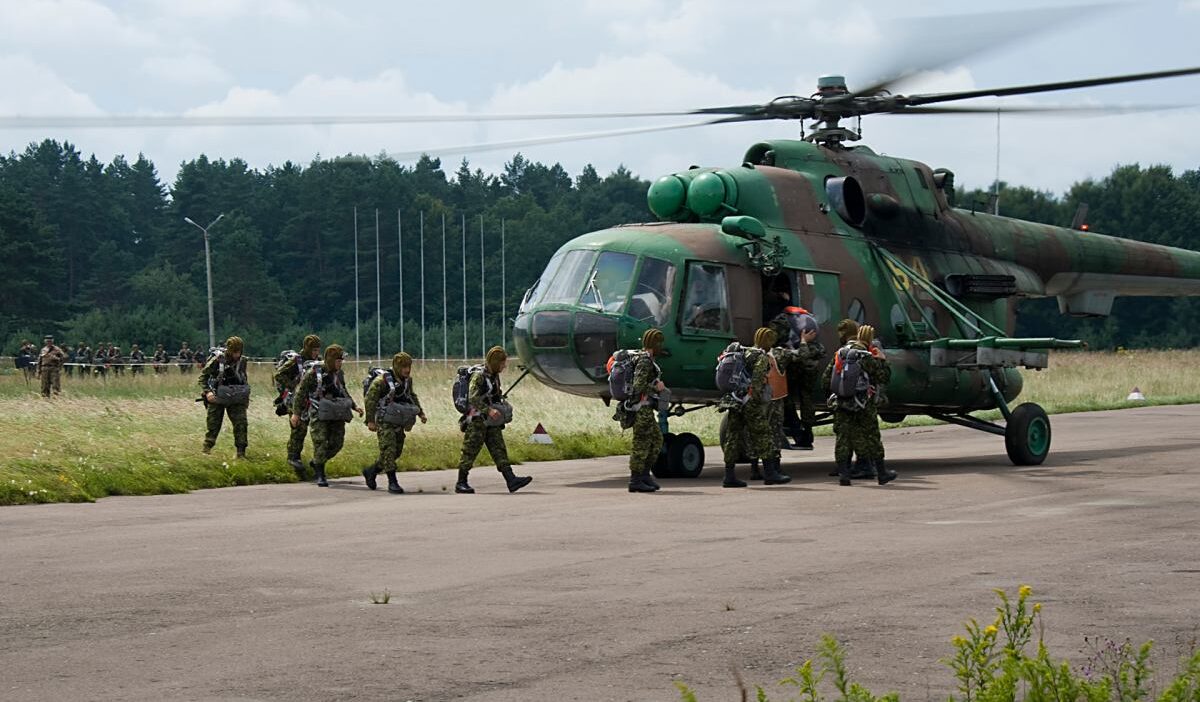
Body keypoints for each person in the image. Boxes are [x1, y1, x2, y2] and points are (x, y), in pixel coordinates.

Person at [823, 324, 897, 486]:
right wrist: (883, 361)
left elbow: (826, 379)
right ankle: (882, 473)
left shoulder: (840, 353)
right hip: (864, 404)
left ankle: (844, 475)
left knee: (843, 438)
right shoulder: (866, 356)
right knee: (872, 437)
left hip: (842, 403)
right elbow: (883, 377)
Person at [454, 346, 532, 494]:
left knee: (499, 449)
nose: (504, 366)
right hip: (477, 420)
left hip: (491, 421)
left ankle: (511, 480)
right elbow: (473, 397)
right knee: (470, 451)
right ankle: (461, 482)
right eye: (502, 363)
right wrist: (489, 410)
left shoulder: (493, 376)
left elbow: (494, 394)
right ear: (496, 362)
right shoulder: (480, 376)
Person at [719, 327, 790, 487]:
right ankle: (771, 473)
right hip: (749, 401)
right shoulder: (762, 357)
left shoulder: (743, 352)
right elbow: (758, 382)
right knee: (763, 433)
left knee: (733, 436)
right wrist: (756, 399)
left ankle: (729, 475)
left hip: (734, 399)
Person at [291, 344, 363, 487]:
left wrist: (355, 406)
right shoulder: (314, 373)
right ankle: (320, 474)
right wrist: (296, 414)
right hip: (319, 413)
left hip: (336, 412)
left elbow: (343, 390)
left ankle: (317, 461)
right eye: (338, 360)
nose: (340, 363)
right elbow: (301, 393)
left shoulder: (339, 374)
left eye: (341, 360)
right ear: (330, 360)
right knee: (320, 442)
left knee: (337, 443)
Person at [363, 352, 427, 494]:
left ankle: (371, 471)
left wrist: (420, 412)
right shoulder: (383, 381)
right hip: (384, 421)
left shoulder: (407, 381)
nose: (407, 370)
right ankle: (393, 482)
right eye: (404, 367)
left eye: (409, 366)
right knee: (389, 450)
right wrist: (370, 421)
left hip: (398, 420)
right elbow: (370, 399)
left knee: (396, 452)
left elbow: (411, 396)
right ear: (397, 366)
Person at [625, 328, 667, 493]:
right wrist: (656, 387)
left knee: (656, 440)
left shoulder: (649, 360)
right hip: (641, 409)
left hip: (647, 409)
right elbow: (638, 386)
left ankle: (644, 475)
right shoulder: (644, 361)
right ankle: (635, 480)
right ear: (653, 344)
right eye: (659, 343)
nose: (661, 346)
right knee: (641, 444)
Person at [274, 334, 322, 478]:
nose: (316, 353)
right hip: (295, 400)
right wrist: (294, 386)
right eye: (314, 350)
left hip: (312, 400)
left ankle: (317, 462)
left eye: (318, 350)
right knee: (298, 430)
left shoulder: (318, 362)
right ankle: (293, 457)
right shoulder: (296, 360)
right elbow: (279, 375)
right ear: (307, 348)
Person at [198, 336, 251, 458]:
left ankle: (241, 454)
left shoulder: (242, 361)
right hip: (217, 396)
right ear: (229, 350)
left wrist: (245, 398)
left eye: (239, 351)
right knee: (213, 425)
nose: (237, 354)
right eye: (235, 351)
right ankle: (206, 450)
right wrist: (208, 392)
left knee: (241, 423)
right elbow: (203, 377)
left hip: (236, 396)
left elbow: (243, 378)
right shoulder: (218, 360)